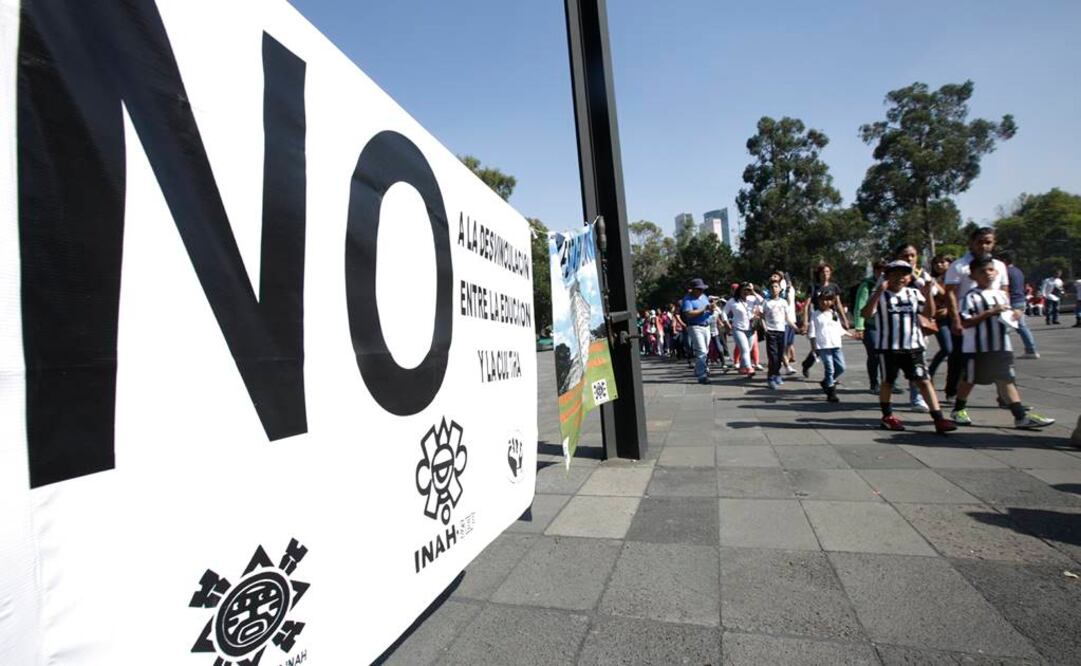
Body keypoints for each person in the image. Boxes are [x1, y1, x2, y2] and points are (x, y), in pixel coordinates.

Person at [950, 255, 1055, 429]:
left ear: (997, 272)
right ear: (972, 276)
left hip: (1001, 345)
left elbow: (1008, 314)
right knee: (970, 379)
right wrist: (990, 312)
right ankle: (958, 409)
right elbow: (966, 322)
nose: (987, 274)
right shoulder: (970, 297)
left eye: (990, 270)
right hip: (977, 347)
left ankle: (1020, 416)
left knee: (1006, 379)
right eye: (982, 271)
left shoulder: (1001, 295)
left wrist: (1016, 314)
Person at [861, 260, 956, 433]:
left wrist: (927, 295)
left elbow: (928, 314)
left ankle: (939, 418)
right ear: (886, 276)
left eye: (904, 274)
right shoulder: (881, 295)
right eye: (895, 274)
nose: (900, 278)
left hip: (914, 347)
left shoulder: (913, 293)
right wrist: (877, 292)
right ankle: (887, 416)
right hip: (888, 348)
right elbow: (866, 313)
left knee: (924, 381)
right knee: (888, 381)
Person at [943, 227, 1009, 401]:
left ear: (994, 244)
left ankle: (1005, 396)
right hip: (968, 317)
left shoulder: (999, 266)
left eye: (988, 242)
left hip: (994, 319)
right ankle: (952, 391)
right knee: (959, 356)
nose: (983, 246)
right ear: (971, 243)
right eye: (979, 242)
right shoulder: (959, 265)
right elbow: (949, 293)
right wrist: (955, 320)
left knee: (999, 357)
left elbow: (1004, 289)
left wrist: (1009, 314)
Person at [801, 263, 848, 378]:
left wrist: (844, 319)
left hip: (831, 318)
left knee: (828, 345)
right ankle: (807, 365)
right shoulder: (813, 287)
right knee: (818, 345)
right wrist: (805, 322)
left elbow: (838, 304)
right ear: (819, 274)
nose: (825, 274)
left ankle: (830, 377)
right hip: (818, 319)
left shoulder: (834, 287)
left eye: (827, 272)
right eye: (823, 272)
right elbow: (806, 305)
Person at [852, 260, 887, 393]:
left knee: (887, 356)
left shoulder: (891, 284)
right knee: (874, 354)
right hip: (870, 325)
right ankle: (874, 383)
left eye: (885, 270)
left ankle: (888, 382)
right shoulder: (867, 284)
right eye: (879, 270)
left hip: (886, 326)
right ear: (875, 270)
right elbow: (860, 305)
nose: (882, 273)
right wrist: (859, 326)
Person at [999, 253, 1039, 358]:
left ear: (1004, 260)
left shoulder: (1005, 272)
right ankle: (1031, 349)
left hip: (1012, 300)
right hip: (1020, 300)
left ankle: (1003, 351)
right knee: (1022, 326)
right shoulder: (1018, 271)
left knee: (1004, 326)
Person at [810, 290, 847, 402]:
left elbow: (839, 328)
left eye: (829, 300)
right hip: (823, 346)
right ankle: (831, 392)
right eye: (823, 300)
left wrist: (852, 334)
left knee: (841, 367)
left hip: (835, 344)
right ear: (819, 300)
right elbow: (812, 332)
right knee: (829, 368)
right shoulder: (815, 315)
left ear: (833, 301)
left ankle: (826, 381)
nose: (825, 302)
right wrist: (813, 346)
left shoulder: (834, 313)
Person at [763, 278, 797, 389]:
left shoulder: (783, 302)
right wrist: (765, 329)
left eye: (776, 286)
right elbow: (762, 317)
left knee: (779, 356)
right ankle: (771, 378)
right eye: (772, 287)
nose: (774, 288)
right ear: (769, 289)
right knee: (773, 357)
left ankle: (777, 374)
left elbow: (787, 318)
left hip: (781, 331)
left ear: (780, 289)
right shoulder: (766, 302)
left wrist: (797, 328)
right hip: (770, 332)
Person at [724, 282, 763, 376]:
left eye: (748, 290)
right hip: (738, 328)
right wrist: (726, 323)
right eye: (744, 290)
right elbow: (724, 312)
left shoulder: (752, 299)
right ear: (739, 290)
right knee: (745, 349)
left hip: (751, 328)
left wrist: (753, 291)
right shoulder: (732, 301)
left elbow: (762, 301)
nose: (746, 292)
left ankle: (742, 367)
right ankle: (749, 368)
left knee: (747, 350)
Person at [926, 254, 955, 378]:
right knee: (947, 348)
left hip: (955, 317)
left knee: (956, 351)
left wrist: (949, 309)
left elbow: (948, 294)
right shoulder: (932, 280)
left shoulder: (955, 278)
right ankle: (930, 372)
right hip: (940, 319)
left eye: (942, 262)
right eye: (936, 263)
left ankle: (954, 379)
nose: (939, 265)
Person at [680, 278, 714, 384]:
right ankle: (702, 375)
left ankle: (699, 368)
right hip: (695, 327)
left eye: (702, 289)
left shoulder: (704, 297)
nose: (701, 291)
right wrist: (704, 309)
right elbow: (688, 314)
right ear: (693, 289)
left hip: (706, 326)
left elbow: (708, 310)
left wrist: (711, 309)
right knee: (701, 351)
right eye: (699, 289)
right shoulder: (688, 299)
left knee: (705, 350)